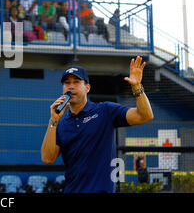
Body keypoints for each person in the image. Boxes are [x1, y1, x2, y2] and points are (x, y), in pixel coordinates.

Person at [40, 58, 154, 193]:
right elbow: (47, 158)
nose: (71, 86)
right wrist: (53, 121)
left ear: (87, 87)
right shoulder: (61, 124)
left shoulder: (105, 111)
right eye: (67, 83)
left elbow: (145, 116)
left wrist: (137, 87)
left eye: (76, 82)